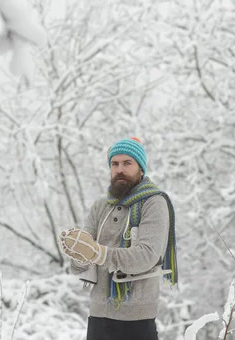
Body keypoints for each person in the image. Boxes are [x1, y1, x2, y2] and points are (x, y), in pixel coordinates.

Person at [60, 137, 178, 340]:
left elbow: (147, 256)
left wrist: (98, 253)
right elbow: (81, 265)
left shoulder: (154, 203)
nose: (119, 169)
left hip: (137, 321)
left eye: (127, 163)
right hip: (98, 318)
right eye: (115, 163)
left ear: (140, 168)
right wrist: (77, 253)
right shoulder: (101, 206)